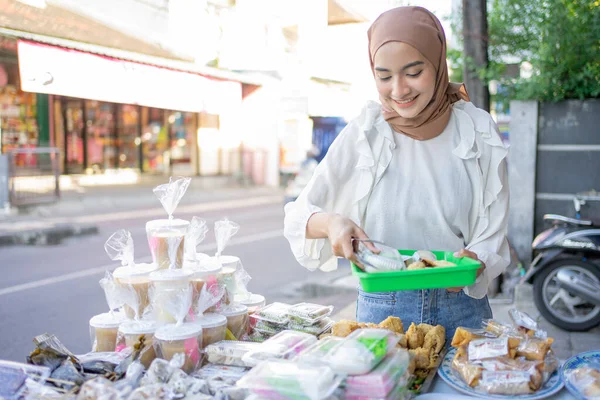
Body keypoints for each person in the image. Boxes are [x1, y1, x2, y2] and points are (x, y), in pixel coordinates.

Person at [283, 6, 510, 342]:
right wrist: (333, 223)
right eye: (384, 76)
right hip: (382, 309)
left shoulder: (477, 130)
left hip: (461, 308)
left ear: (437, 63)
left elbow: (494, 231)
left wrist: (473, 262)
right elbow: (299, 217)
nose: (399, 90)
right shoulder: (366, 132)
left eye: (414, 72)